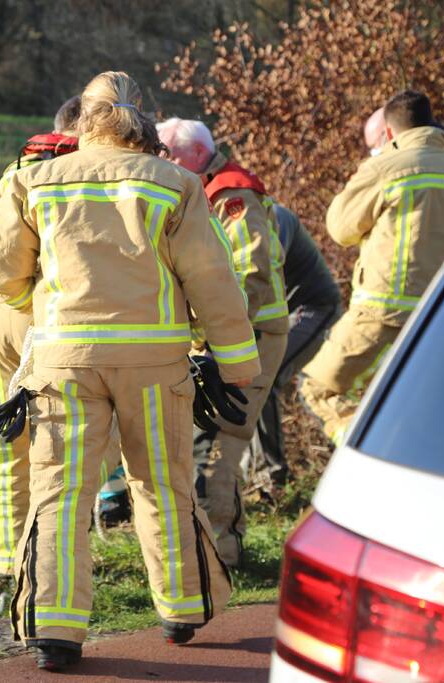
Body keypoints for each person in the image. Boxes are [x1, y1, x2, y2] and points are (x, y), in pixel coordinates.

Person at [0, 71, 259, 670]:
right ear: (144, 120)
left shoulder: (32, 181)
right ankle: (183, 609)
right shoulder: (177, 183)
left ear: (83, 118)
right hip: (155, 364)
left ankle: (54, 631)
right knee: (162, 481)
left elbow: (0, 272)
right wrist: (237, 363)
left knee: (59, 491)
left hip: (64, 362)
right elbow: (213, 281)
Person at [157, 117, 289, 569]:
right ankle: (217, 547)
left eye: (168, 155)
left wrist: (221, 336)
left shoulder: (231, 196)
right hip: (221, 340)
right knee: (202, 442)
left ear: (194, 155)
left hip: (252, 336)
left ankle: (224, 558)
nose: (162, 164)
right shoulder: (199, 194)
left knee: (221, 444)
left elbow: (252, 274)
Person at [299, 90, 444, 442]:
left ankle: (366, 455)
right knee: (421, 407)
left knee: (318, 388)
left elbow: (340, 228)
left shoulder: (386, 168)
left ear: (389, 134)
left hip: (382, 314)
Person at [0, 95, 81, 575]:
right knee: (55, 448)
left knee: (6, 444)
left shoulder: (14, 171)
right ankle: (46, 563)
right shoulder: (81, 172)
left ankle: (7, 562)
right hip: (43, 316)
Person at [250, 204, 341, 485]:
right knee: (247, 380)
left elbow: (263, 268)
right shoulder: (228, 219)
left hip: (313, 308)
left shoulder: (276, 217)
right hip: (279, 315)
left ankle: (272, 478)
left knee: (261, 380)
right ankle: (253, 473)